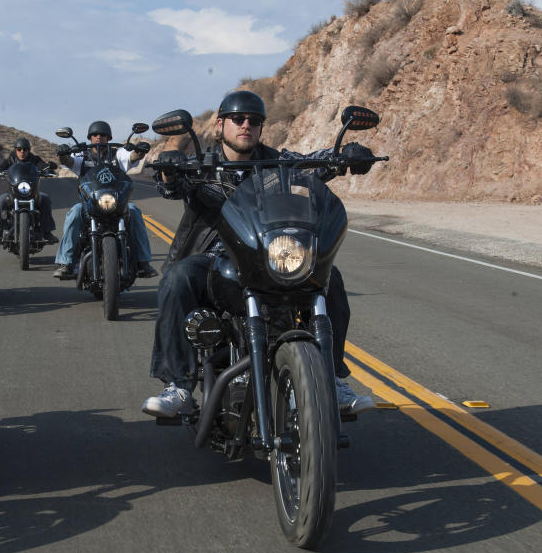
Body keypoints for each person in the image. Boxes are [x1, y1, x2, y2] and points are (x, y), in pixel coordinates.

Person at [141, 90, 375, 418]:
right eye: (238, 119)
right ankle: (177, 386)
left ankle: (332, 379)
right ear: (221, 124)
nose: (246, 125)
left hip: (267, 257)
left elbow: (311, 164)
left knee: (329, 278)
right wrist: (169, 168)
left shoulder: (276, 162)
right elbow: (171, 187)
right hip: (215, 259)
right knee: (178, 279)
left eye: (254, 120)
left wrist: (343, 157)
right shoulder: (200, 167)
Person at [51, 120, 158, 279]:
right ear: (90, 137)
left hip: (115, 202)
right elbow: (69, 162)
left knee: (134, 211)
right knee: (74, 212)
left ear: (108, 137)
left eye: (102, 134)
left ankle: (143, 262)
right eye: (94, 134)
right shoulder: (82, 154)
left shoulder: (118, 153)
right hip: (90, 204)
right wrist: (63, 154)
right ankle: (66, 263)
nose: (98, 137)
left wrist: (140, 151)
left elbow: (133, 157)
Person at [0, 137, 58, 244]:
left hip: (32, 192)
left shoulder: (34, 159)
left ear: (28, 150)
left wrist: (48, 169)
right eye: (19, 149)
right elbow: (1, 167)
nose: (22, 152)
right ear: (15, 150)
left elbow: (43, 166)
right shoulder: (10, 159)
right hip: (14, 192)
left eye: (25, 149)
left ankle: (47, 232)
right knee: (1, 200)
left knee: (45, 199)